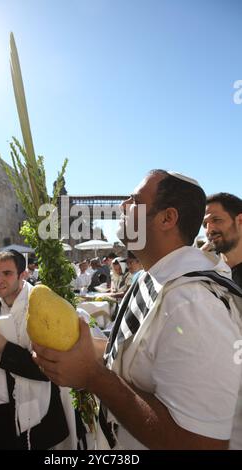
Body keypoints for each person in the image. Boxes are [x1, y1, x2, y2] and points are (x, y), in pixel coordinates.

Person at [33, 169, 242, 450]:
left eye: (134, 200)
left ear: (167, 218)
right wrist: (81, 349)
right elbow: (143, 353)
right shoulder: (153, 276)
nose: (122, 206)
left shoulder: (195, 304)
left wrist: (93, 376)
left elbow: (200, 443)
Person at [0, 249, 83, 450]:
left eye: (7, 273)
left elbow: (50, 369)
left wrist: (4, 348)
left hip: (32, 416)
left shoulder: (41, 307)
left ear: (23, 275)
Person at [203, 193, 242, 288]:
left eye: (216, 220)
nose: (209, 230)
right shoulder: (204, 274)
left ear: (240, 220)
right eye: (204, 224)